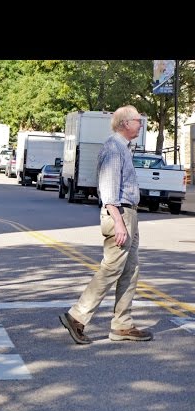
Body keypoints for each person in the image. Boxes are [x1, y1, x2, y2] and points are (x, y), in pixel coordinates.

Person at [59, 105, 153, 344]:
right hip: (119, 214)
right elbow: (109, 191)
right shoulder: (114, 148)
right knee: (112, 268)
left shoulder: (123, 148)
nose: (140, 124)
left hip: (128, 214)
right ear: (124, 123)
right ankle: (77, 316)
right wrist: (119, 223)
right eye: (137, 120)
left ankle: (122, 325)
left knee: (130, 271)